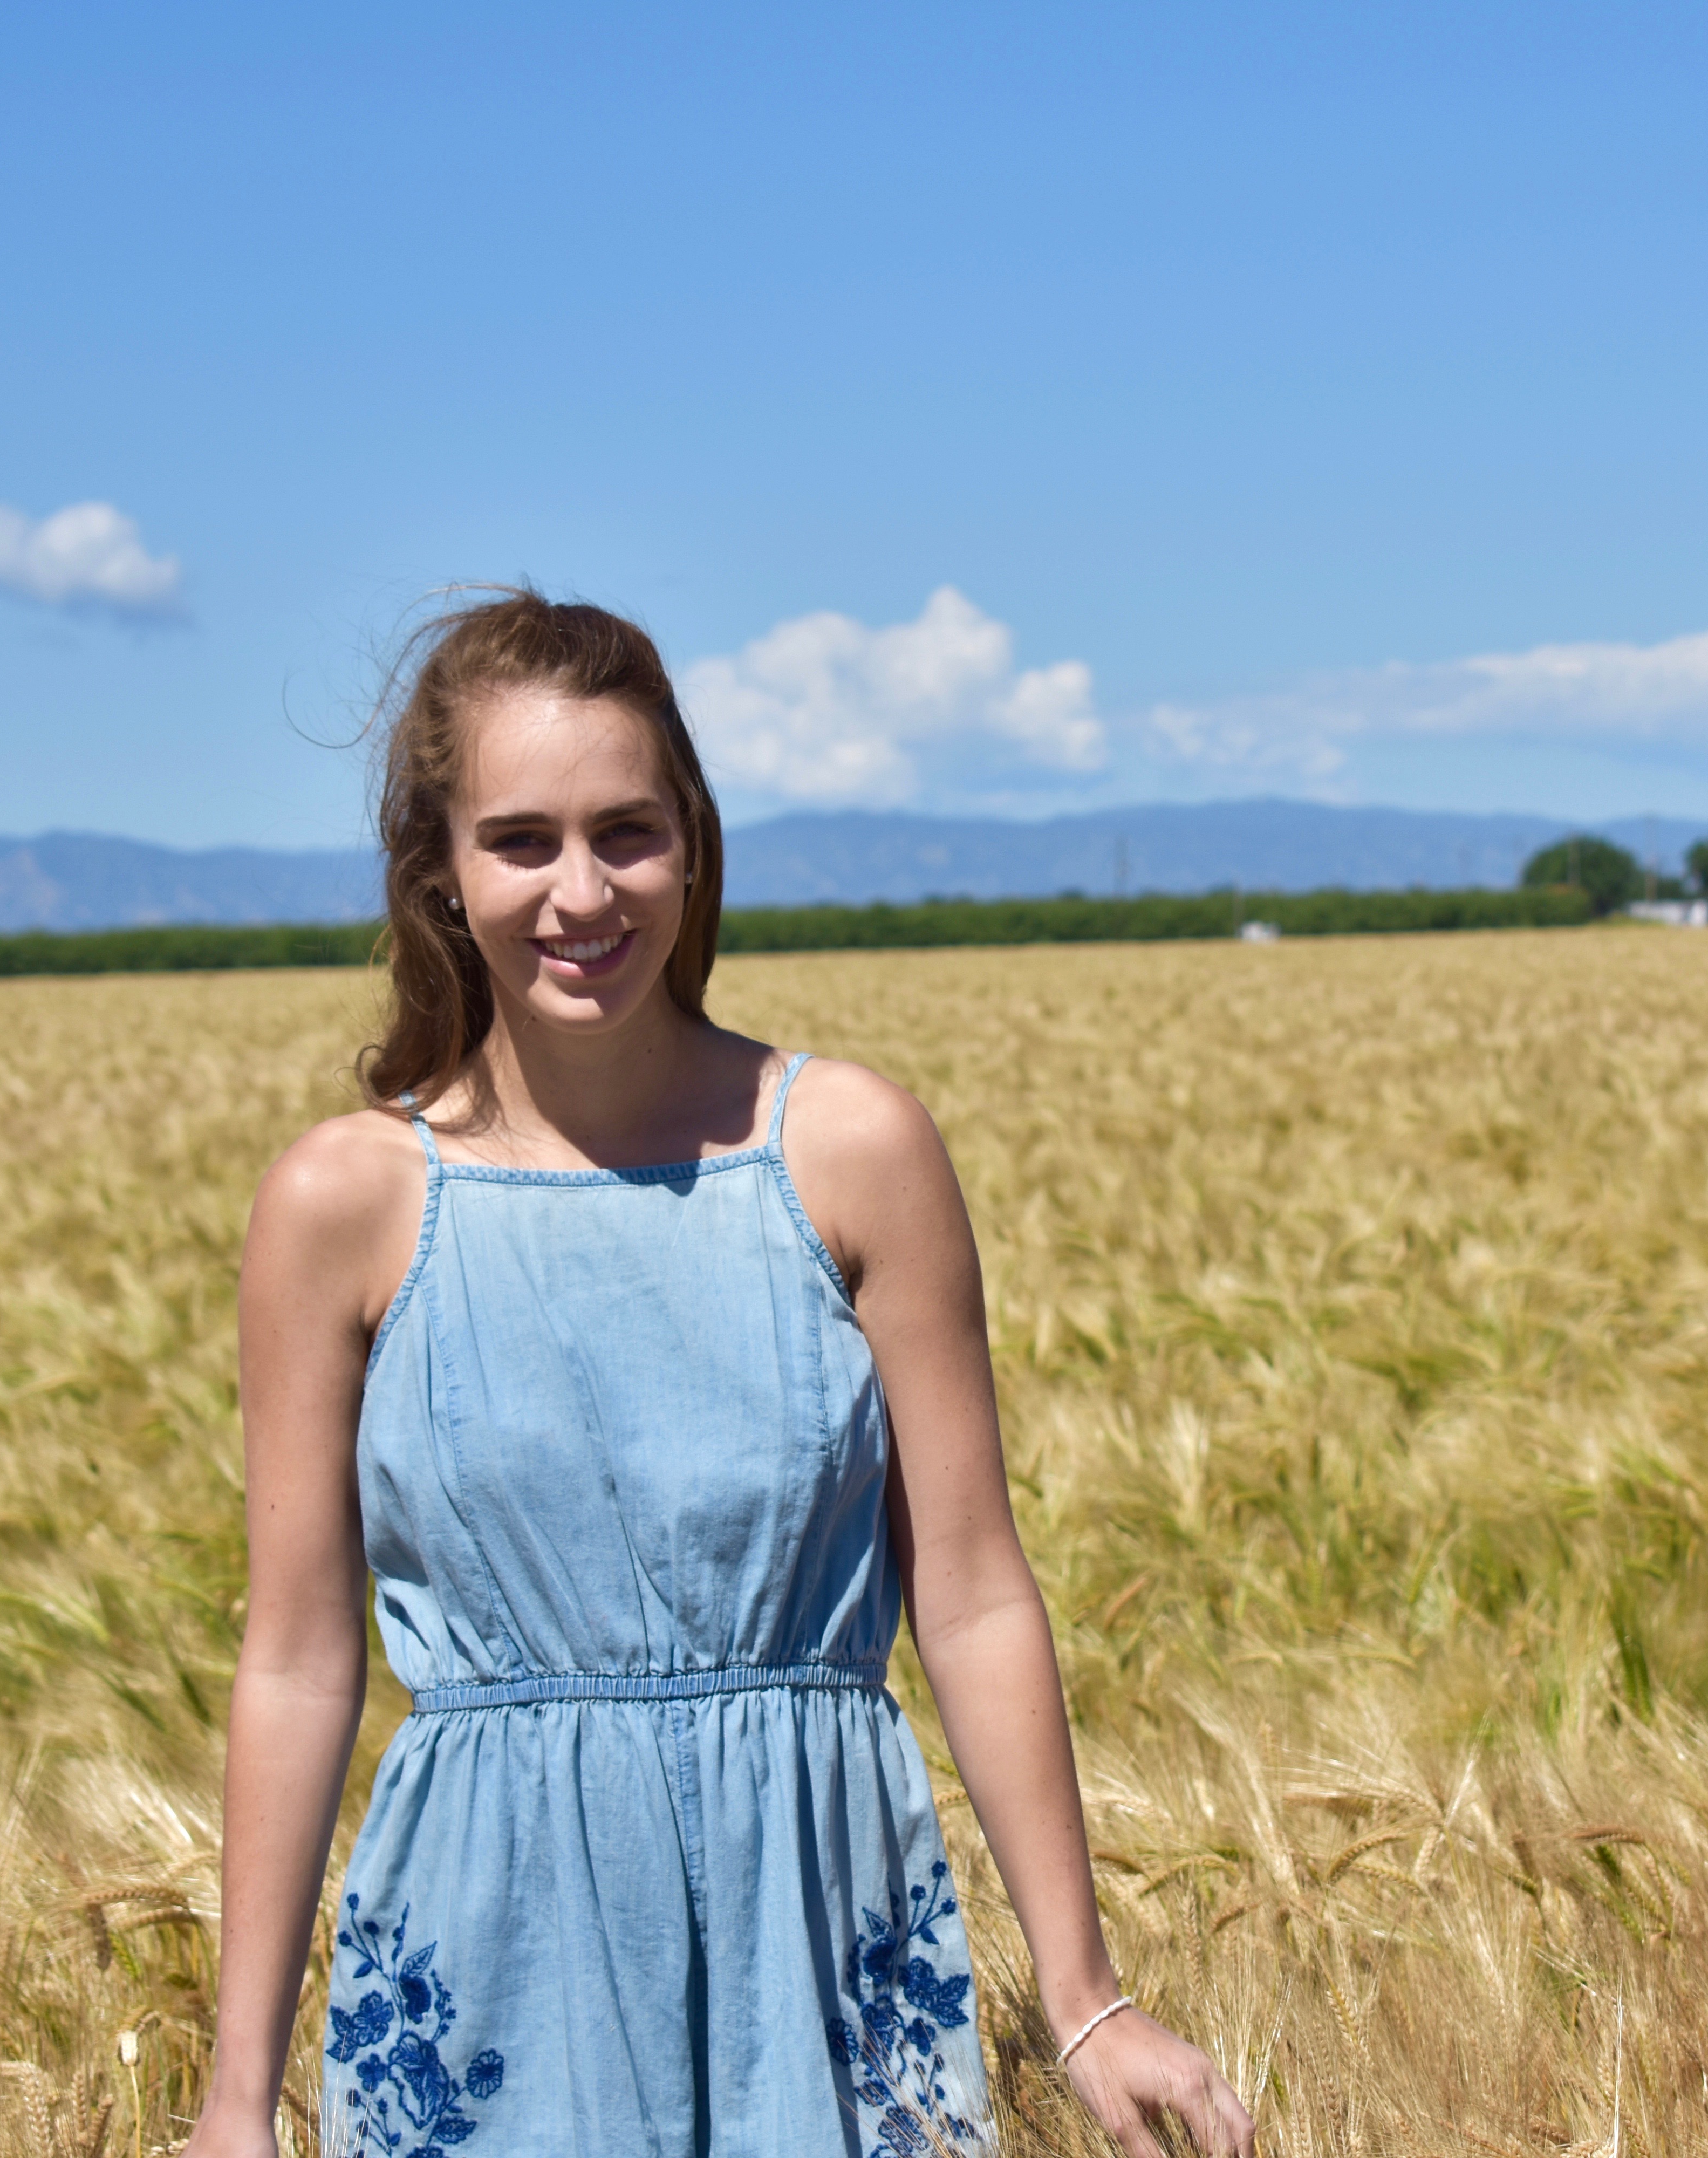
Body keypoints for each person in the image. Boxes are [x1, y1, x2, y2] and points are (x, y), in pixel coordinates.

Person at [187, 592, 1255, 2157]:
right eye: (522, 841)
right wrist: (233, 2103)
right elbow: (294, 1662)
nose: (581, 892)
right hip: (487, 1960)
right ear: (441, 872)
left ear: (691, 841)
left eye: (626, 832)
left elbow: (966, 1591)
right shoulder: (342, 1205)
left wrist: (1086, 1998)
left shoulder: (849, 1151)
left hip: (819, 1934)